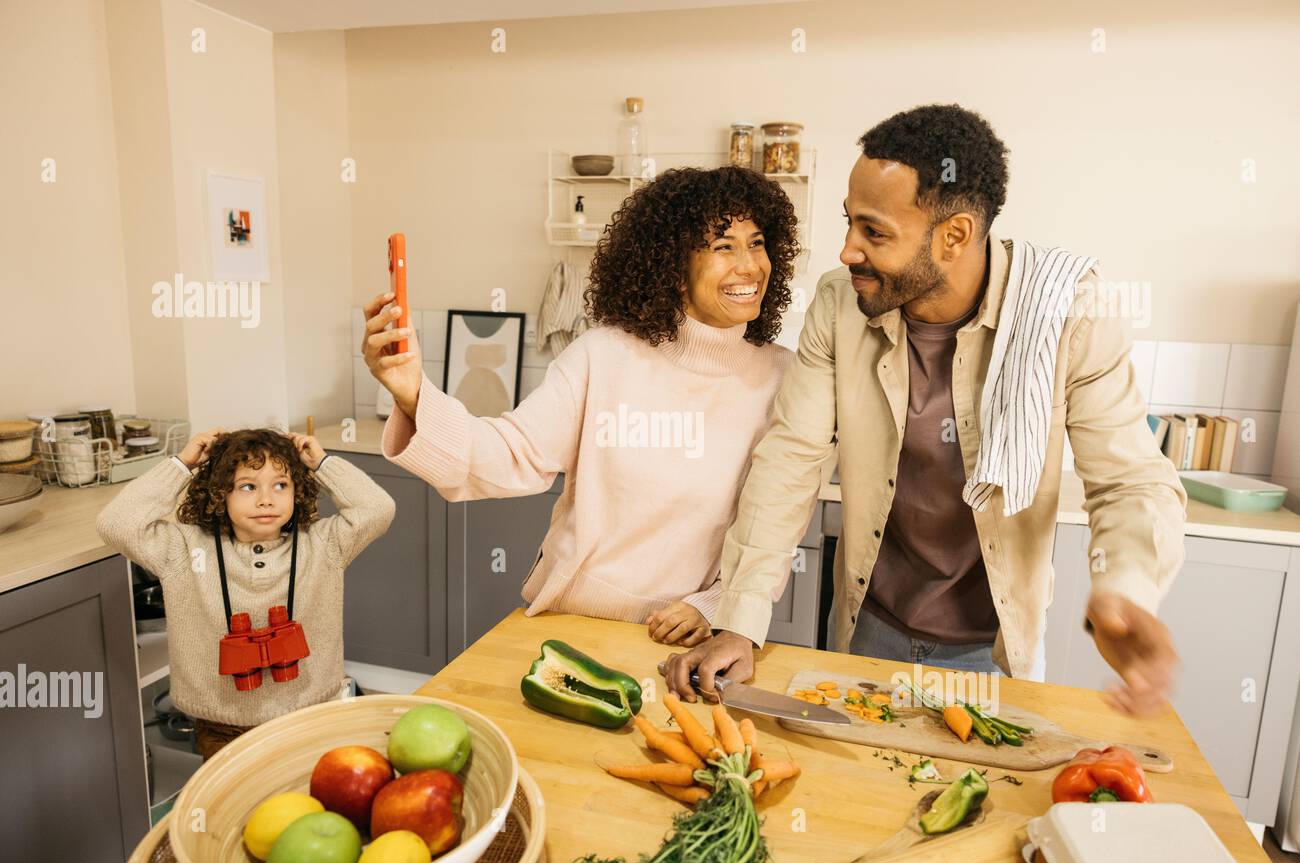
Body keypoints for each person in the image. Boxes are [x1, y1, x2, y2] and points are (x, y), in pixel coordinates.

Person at [663, 104, 1186, 717]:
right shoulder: (838, 305)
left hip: (991, 651)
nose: (848, 250)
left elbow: (1129, 480)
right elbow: (790, 458)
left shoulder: (1068, 310)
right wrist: (740, 622)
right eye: (849, 223)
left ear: (955, 235)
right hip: (867, 629)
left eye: (874, 232)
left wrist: (1125, 590)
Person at [363, 166, 800, 641]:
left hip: (691, 638)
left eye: (756, 243)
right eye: (723, 247)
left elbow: (777, 523)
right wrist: (410, 391)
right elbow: (510, 456)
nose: (750, 266)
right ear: (674, 267)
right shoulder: (603, 355)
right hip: (575, 622)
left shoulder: (783, 377)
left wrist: (717, 604)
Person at [96, 428, 395, 759]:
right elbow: (117, 523)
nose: (266, 499)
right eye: (247, 486)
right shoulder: (184, 549)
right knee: (239, 807)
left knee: (304, 801)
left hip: (306, 714)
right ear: (220, 493)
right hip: (222, 725)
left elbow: (378, 508)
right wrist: (181, 464)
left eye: (280, 485)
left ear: (298, 491)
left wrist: (323, 463)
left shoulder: (323, 545)